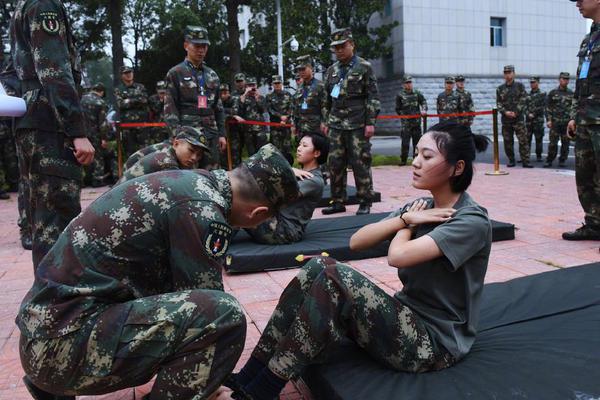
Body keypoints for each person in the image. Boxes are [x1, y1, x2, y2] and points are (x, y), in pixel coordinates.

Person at [17, 144, 300, 400]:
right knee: (224, 315)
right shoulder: (203, 210)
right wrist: (210, 387)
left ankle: (52, 387)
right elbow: (210, 312)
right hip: (58, 351)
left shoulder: (192, 182)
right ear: (259, 214)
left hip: (43, 334)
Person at [230, 123, 491, 400]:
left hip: (433, 344)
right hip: (405, 317)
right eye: (416, 153)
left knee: (336, 279)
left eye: (427, 157)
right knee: (317, 267)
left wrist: (404, 225)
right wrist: (406, 219)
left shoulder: (470, 221)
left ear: (457, 168)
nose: (415, 162)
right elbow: (357, 241)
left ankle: (262, 390)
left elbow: (398, 256)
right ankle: (250, 374)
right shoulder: (420, 207)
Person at [9, 0, 95, 269]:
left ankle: (50, 301)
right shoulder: (44, 4)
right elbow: (55, 70)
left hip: (33, 118)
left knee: (43, 222)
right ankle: (57, 304)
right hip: (50, 124)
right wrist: (76, 131)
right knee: (58, 220)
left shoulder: (24, 5)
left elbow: (11, 70)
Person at [321, 27, 380, 216]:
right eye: (335, 48)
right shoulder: (332, 70)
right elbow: (327, 99)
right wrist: (326, 120)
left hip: (358, 124)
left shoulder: (364, 67)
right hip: (336, 125)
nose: (338, 50)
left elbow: (373, 96)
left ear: (352, 45)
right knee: (335, 164)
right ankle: (337, 201)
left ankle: (365, 201)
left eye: (342, 46)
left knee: (360, 162)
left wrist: (370, 122)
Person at [246, 133, 329, 244]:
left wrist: (286, 169)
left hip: (284, 231)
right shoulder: (299, 173)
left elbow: (276, 194)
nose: (299, 149)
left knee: (238, 207)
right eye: (299, 145)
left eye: (304, 146)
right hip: (275, 220)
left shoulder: (314, 181)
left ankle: (217, 243)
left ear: (317, 153)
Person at [164, 26, 226, 171]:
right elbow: (170, 108)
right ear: (186, 45)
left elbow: (218, 107)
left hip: (210, 133)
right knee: (188, 178)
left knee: (213, 175)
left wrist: (222, 134)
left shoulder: (212, 75)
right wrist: (176, 135)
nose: (201, 50)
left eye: (204, 46)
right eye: (197, 45)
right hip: (188, 136)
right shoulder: (176, 73)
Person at [564, 0, 600, 242]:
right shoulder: (589, 40)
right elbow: (581, 81)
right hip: (585, 119)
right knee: (585, 175)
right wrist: (574, 115)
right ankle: (594, 224)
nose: (577, 3)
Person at [117, 126, 210, 184]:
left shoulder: (171, 152)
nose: (194, 158)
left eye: (199, 155)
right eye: (191, 150)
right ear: (176, 144)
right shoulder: (166, 161)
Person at [496, 65, 532, 168]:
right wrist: (505, 112)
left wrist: (516, 112)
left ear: (514, 74)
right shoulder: (500, 89)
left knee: (523, 140)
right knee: (508, 141)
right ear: (504, 75)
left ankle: (526, 161)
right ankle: (511, 160)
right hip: (506, 119)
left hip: (518, 119)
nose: (508, 75)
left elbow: (524, 99)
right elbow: (499, 104)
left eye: (510, 72)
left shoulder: (520, 86)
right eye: (506, 73)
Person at [114, 65, 150, 158]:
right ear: (122, 75)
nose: (129, 75)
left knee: (145, 151)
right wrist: (136, 100)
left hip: (142, 124)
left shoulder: (140, 87)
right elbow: (120, 104)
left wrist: (129, 100)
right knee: (130, 152)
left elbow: (145, 100)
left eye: (130, 72)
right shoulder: (119, 89)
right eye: (126, 73)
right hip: (127, 126)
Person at [81, 83, 110, 187]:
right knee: (98, 156)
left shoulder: (81, 99)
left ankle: (85, 180)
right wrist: (104, 138)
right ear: (101, 92)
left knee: (83, 155)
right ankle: (97, 180)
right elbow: (102, 123)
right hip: (95, 133)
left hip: (81, 133)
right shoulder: (100, 102)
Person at [395, 75, 427, 166]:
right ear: (403, 84)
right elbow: (397, 108)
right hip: (406, 123)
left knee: (417, 142)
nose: (408, 85)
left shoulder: (417, 93)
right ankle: (403, 160)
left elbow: (423, 102)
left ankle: (416, 159)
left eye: (410, 82)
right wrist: (403, 116)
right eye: (406, 83)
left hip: (416, 122)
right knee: (405, 142)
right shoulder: (400, 95)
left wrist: (424, 110)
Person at [232, 76, 268, 157]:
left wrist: (257, 97)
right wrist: (245, 94)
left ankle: (263, 169)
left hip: (260, 130)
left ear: (256, 86)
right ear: (246, 86)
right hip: (248, 130)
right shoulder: (243, 98)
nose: (252, 87)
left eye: (253, 85)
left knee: (262, 153)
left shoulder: (261, 97)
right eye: (249, 85)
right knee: (251, 153)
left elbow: (263, 110)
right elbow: (238, 111)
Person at [545, 72, 573, 168]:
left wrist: (572, 121)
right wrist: (548, 120)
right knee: (553, 143)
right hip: (555, 123)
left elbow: (574, 108)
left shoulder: (571, 93)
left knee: (565, 143)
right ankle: (549, 160)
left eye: (567, 79)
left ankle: (562, 160)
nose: (565, 81)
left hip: (566, 123)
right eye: (563, 79)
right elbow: (548, 107)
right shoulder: (553, 93)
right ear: (559, 79)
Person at [266, 75, 294, 164]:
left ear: (281, 83)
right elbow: (269, 109)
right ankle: (277, 167)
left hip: (286, 126)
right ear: (272, 84)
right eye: (275, 83)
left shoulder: (288, 95)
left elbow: (291, 108)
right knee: (275, 149)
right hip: (275, 127)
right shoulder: (269, 96)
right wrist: (280, 117)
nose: (277, 85)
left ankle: (289, 167)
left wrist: (286, 117)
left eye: (279, 83)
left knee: (287, 148)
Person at [525, 76, 546, 163]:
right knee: (527, 139)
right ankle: (526, 156)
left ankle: (539, 155)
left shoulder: (542, 94)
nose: (532, 84)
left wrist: (534, 114)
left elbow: (543, 106)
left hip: (538, 120)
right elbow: (523, 106)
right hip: (529, 121)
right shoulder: (527, 95)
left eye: (534, 82)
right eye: (531, 82)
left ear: (538, 83)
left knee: (538, 139)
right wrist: (527, 114)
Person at [148, 80, 171, 144]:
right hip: (157, 128)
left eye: (164, 91)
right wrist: (162, 101)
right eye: (160, 91)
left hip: (169, 127)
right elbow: (156, 110)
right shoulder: (152, 99)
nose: (162, 93)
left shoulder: (171, 98)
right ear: (156, 90)